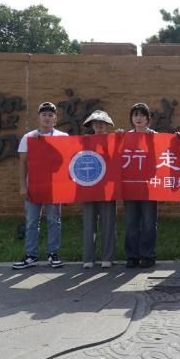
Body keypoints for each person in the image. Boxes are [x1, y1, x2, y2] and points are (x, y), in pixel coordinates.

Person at [12, 102, 68, 270]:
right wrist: (23, 185)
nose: (47, 118)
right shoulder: (29, 137)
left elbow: (68, 161)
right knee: (31, 221)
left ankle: (53, 253)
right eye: (44, 114)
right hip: (34, 185)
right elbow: (23, 163)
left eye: (50, 115)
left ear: (55, 119)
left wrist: (66, 188)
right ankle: (31, 255)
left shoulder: (62, 137)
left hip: (54, 186)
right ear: (38, 118)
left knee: (54, 220)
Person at [123, 103, 158, 269]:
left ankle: (148, 255)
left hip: (149, 186)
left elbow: (170, 151)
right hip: (130, 186)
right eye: (135, 114)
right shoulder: (125, 137)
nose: (138, 118)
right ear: (131, 118)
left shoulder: (155, 137)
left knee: (149, 223)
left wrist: (177, 138)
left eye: (142, 115)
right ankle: (132, 256)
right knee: (131, 222)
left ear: (147, 119)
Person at [82, 110, 117, 269]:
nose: (99, 125)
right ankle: (88, 257)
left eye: (102, 123)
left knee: (108, 222)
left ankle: (107, 257)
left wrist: (121, 137)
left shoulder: (114, 141)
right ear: (91, 125)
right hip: (88, 186)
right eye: (96, 123)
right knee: (89, 222)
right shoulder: (84, 141)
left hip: (107, 187)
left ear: (107, 125)